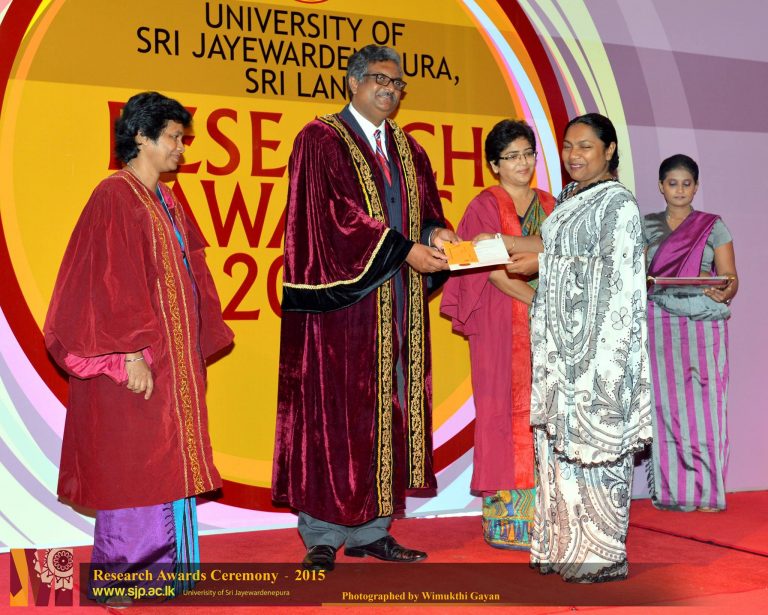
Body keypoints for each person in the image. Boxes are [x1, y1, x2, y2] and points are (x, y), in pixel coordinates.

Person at [272, 44, 458, 572]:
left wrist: (437, 235)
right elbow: (334, 218)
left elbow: (426, 212)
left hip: (396, 304)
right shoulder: (319, 139)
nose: (389, 90)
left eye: (397, 83)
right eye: (380, 78)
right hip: (341, 309)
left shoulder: (410, 149)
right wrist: (404, 249)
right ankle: (322, 534)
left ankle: (373, 531)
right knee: (333, 416)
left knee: (387, 410)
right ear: (353, 82)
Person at [45, 92, 234, 600]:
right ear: (141, 137)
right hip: (135, 361)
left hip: (173, 361)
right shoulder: (115, 195)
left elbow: (192, 277)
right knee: (134, 464)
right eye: (173, 137)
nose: (182, 149)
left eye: (182, 139)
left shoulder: (167, 200)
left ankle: (168, 572)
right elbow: (108, 283)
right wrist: (130, 354)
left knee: (167, 458)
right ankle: (123, 577)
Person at [490, 113, 652, 582]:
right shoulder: (569, 198)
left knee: (595, 453)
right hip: (563, 354)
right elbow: (551, 244)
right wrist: (500, 242)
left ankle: (601, 556)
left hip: (600, 355)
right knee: (558, 451)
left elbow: (616, 271)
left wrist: (543, 263)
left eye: (585, 146)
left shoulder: (618, 203)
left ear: (609, 151)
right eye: (567, 146)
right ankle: (561, 547)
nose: (573, 156)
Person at [440, 119, 555, 550]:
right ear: (494, 165)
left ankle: (547, 517)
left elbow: (564, 251)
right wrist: (537, 299)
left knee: (546, 414)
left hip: (550, 328)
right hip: (499, 321)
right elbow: (485, 266)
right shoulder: (483, 206)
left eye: (527, 154)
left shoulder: (552, 204)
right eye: (511, 157)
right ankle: (507, 522)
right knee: (499, 411)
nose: (522, 163)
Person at [644, 154, 738, 512]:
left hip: (703, 320)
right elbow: (636, 274)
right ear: (661, 186)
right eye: (673, 183)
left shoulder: (713, 226)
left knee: (706, 406)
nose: (680, 190)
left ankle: (709, 493)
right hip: (658, 320)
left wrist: (723, 291)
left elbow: (730, 278)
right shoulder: (646, 225)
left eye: (687, 184)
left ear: (696, 187)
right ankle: (674, 493)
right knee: (666, 407)